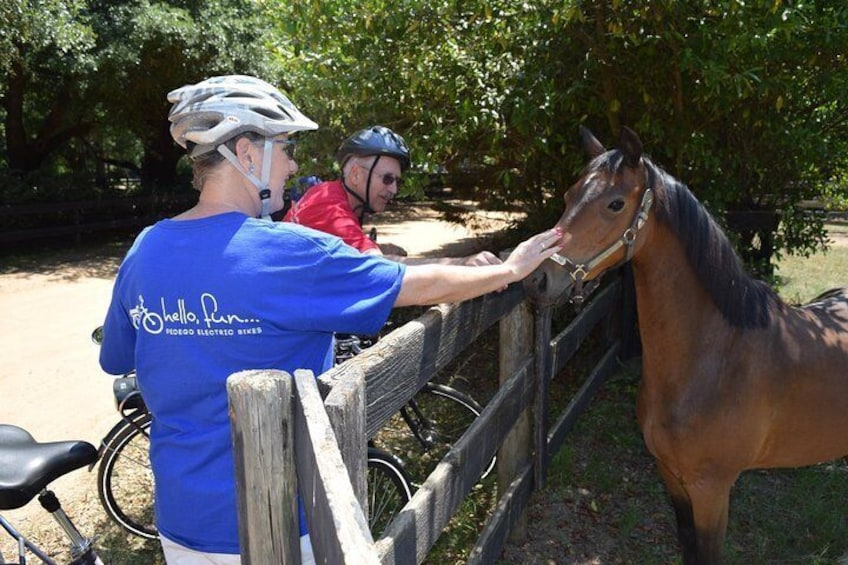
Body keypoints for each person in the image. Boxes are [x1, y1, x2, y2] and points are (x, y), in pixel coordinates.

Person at [97, 74, 562, 565]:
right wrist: (511, 270)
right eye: (286, 147)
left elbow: (118, 358)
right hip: (289, 519)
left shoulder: (145, 248)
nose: (294, 165)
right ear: (248, 154)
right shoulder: (289, 252)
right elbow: (413, 285)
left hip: (182, 525)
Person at [284, 125, 499, 265]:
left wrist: (378, 246)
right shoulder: (330, 207)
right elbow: (380, 267)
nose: (394, 190)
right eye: (387, 178)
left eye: (397, 181)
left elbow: (343, 250)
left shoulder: (331, 194)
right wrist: (462, 264)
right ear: (356, 174)